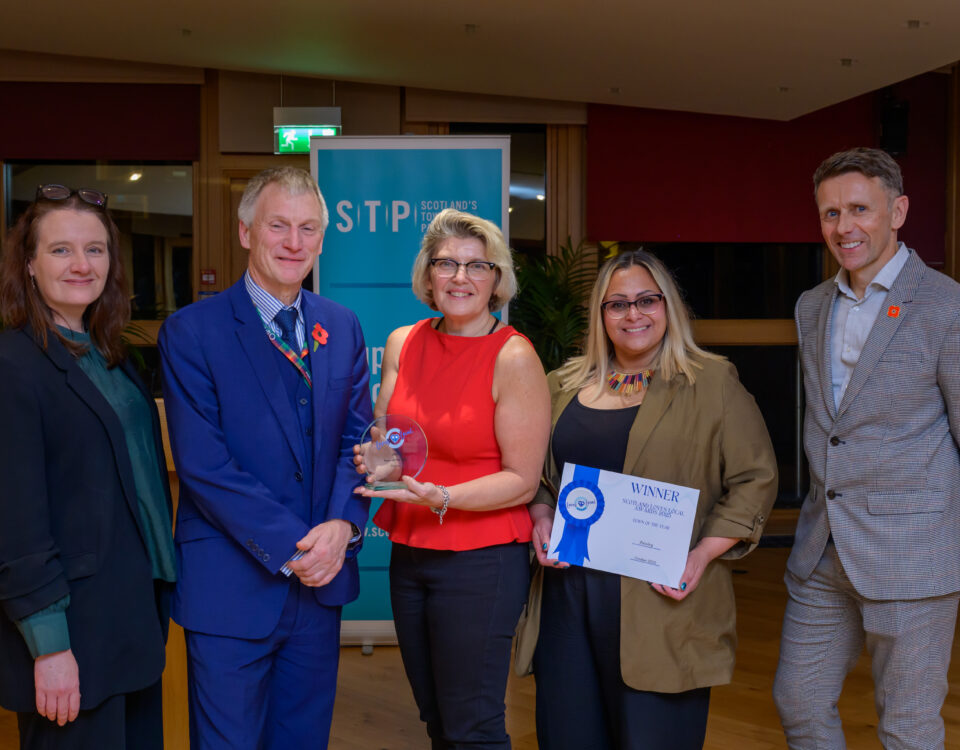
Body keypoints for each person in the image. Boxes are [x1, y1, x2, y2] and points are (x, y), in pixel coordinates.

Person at [523, 249, 777, 750]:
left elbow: (755, 479)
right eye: (617, 304)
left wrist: (702, 555)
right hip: (568, 597)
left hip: (663, 599)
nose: (632, 314)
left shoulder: (711, 381)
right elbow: (533, 473)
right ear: (600, 314)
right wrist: (539, 513)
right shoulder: (561, 384)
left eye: (646, 300)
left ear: (669, 306)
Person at [158, 167, 372, 750]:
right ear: (246, 231)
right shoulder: (191, 332)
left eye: (308, 229)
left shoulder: (342, 327)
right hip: (231, 589)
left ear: (323, 239)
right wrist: (295, 548)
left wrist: (342, 527)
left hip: (319, 589)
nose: (294, 243)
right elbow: (204, 465)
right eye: (279, 225)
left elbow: (359, 441)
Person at [772, 147, 960, 748]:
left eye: (859, 209)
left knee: (907, 729)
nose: (843, 227)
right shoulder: (811, 306)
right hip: (823, 548)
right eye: (830, 214)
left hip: (912, 556)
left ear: (898, 210)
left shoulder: (947, 305)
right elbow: (834, 424)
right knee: (798, 701)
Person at [353, 208, 550, 749]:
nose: (460, 277)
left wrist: (441, 495)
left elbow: (523, 480)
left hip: (481, 560)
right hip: (411, 552)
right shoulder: (402, 342)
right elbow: (395, 446)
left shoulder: (513, 356)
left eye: (476, 266)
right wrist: (375, 460)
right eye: (446, 264)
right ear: (427, 274)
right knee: (436, 716)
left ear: (496, 279)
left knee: (473, 725)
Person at [0, 185, 175, 749]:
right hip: (71, 634)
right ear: (28, 264)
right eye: (60, 250)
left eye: (95, 250)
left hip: (128, 625)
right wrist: (50, 647)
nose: (81, 264)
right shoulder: (12, 364)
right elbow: (16, 519)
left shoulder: (108, 352)